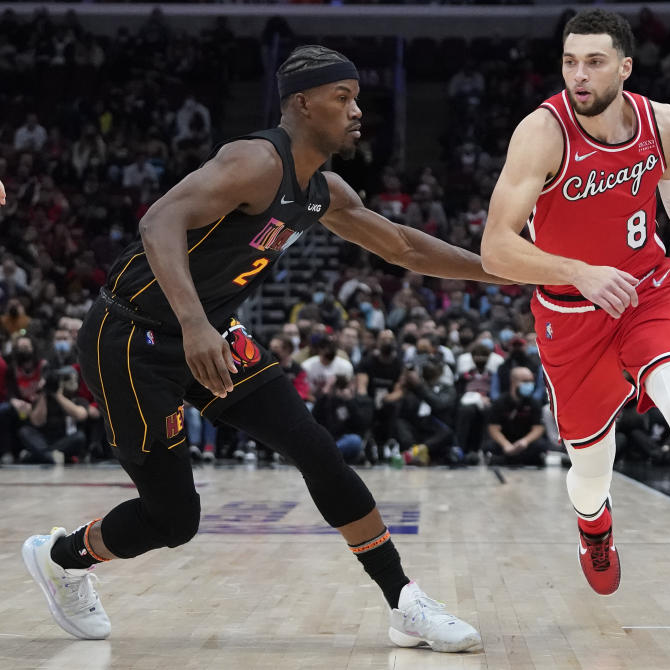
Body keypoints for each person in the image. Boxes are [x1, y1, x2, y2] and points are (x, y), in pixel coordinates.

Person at [21, 45, 503, 652]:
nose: (357, 111)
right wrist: (195, 326)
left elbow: (403, 246)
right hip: (131, 338)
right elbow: (158, 222)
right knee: (173, 520)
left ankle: (404, 602)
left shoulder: (322, 190)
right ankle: (63, 557)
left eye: (357, 98)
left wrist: (506, 271)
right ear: (302, 104)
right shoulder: (252, 161)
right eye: (342, 98)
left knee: (316, 448)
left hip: (211, 332)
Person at [481, 9, 670, 658]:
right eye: (570, 61)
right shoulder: (542, 133)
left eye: (594, 61)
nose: (579, 74)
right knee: (590, 470)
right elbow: (495, 250)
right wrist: (578, 271)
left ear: (625, 66)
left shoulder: (664, 123)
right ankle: (594, 525)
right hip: (570, 315)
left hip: (646, 294)